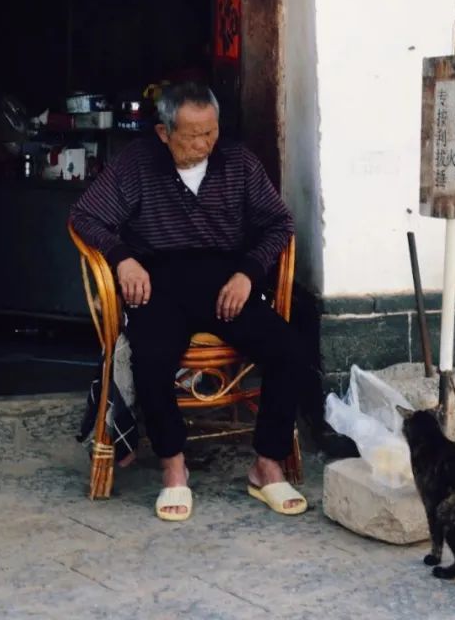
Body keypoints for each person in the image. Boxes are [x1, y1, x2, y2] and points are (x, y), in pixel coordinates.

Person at [69, 81, 310, 521]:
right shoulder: (138, 163)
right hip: (158, 283)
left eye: (211, 133)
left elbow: (279, 223)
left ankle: (267, 465)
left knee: (289, 350)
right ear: (164, 133)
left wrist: (249, 272)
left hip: (226, 284)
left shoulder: (237, 161)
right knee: (152, 355)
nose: (205, 144)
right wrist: (122, 260)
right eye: (193, 135)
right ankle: (173, 469)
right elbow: (84, 214)